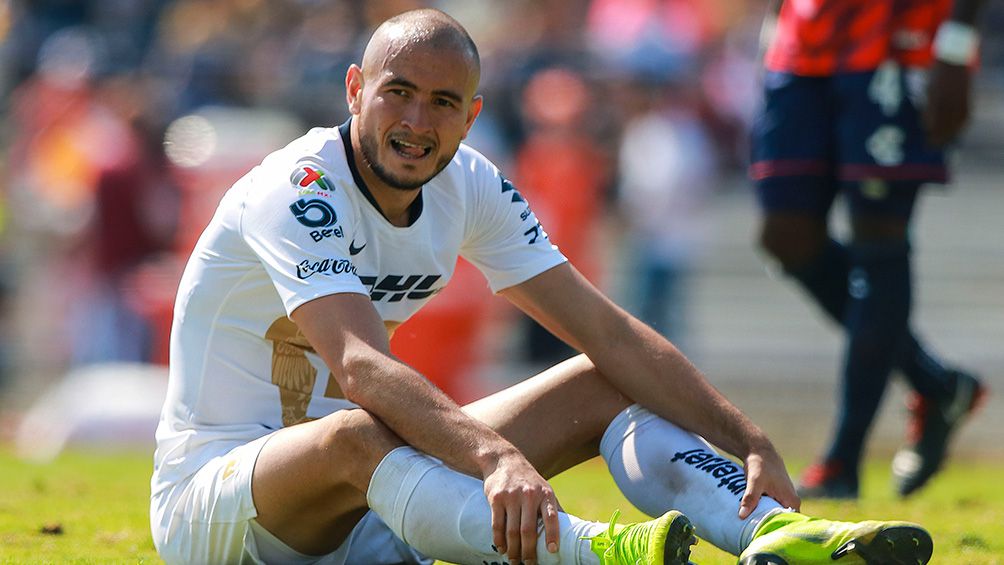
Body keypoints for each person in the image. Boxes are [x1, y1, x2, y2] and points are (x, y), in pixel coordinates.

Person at [151, 9, 935, 565]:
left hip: (371, 504)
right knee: (354, 428)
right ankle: (608, 553)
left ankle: (770, 533)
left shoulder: (469, 184)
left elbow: (608, 331)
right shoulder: (299, 186)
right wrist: (493, 455)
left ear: (472, 116)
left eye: (444, 102)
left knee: (605, 382)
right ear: (355, 88)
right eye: (399, 91)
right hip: (218, 509)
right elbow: (357, 366)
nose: (418, 120)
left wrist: (750, 438)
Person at [751, 0, 988, 499]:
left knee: (878, 239)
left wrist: (957, 42)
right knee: (786, 236)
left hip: (900, 39)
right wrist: (774, 21)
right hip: (804, 41)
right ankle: (938, 385)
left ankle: (843, 458)